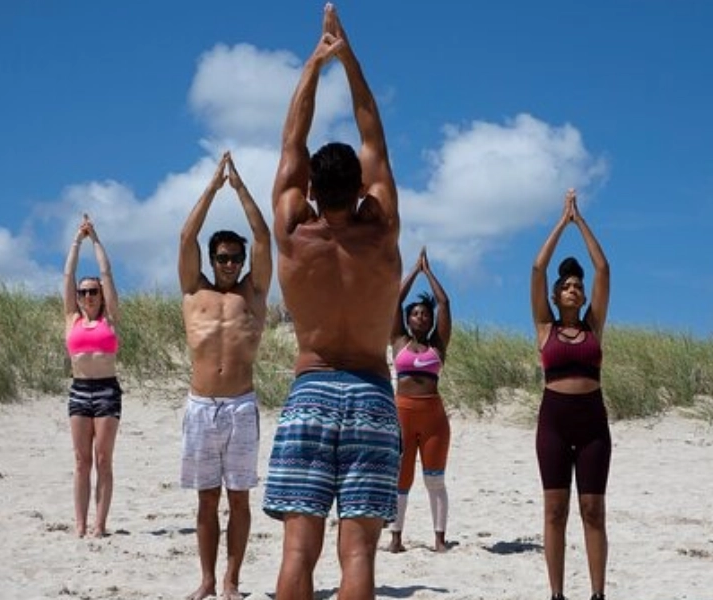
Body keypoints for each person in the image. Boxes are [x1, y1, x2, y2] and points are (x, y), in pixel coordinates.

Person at [261, 4, 402, 599]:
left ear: (313, 192)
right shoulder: (382, 232)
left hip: (312, 390)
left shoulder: (295, 233)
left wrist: (315, 64)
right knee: (359, 553)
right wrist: (349, 59)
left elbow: (292, 137)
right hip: (371, 391)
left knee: (299, 549)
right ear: (364, 190)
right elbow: (373, 133)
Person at [178, 151, 272, 600]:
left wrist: (240, 189)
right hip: (201, 407)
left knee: (238, 498)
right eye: (223, 258)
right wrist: (213, 187)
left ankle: (233, 581)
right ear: (212, 259)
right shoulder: (194, 289)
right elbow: (186, 234)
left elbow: (263, 237)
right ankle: (208, 580)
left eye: (236, 258)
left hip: (239, 404)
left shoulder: (252, 293)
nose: (231, 264)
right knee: (206, 499)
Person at [530, 189, 610, 600]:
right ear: (557, 294)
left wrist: (581, 223)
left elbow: (603, 267)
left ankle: (598, 594)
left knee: (593, 511)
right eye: (568, 285)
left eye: (579, 285)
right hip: (555, 422)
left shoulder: (594, 326)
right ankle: (557, 594)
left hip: (593, 420)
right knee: (556, 511)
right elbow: (538, 267)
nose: (575, 289)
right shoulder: (545, 327)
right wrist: (562, 223)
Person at [387, 247, 453, 554]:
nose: (421, 317)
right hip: (402, 414)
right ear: (408, 319)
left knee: (434, 480)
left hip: (433, 417)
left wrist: (430, 272)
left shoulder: (438, 345)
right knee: (401, 479)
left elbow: (444, 302)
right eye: (415, 314)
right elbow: (395, 300)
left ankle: (439, 539)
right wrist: (414, 270)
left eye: (425, 314)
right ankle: (396, 538)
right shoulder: (398, 340)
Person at [62, 214, 122, 539]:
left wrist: (95, 238)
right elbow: (69, 273)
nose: (87, 296)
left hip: (107, 391)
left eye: (92, 292)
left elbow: (106, 273)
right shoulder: (71, 317)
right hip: (79, 390)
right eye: (83, 293)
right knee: (81, 461)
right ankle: (80, 525)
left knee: (103, 458)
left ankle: (99, 526)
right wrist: (76, 240)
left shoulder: (110, 318)